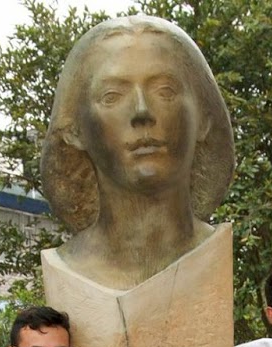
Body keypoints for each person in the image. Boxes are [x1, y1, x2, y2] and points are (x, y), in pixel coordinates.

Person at [40, 14, 234, 291]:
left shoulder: (214, 251)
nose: (141, 111)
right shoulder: (66, 268)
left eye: (165, 92)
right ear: (75, 130)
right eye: (112, 96)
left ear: (203, 118)